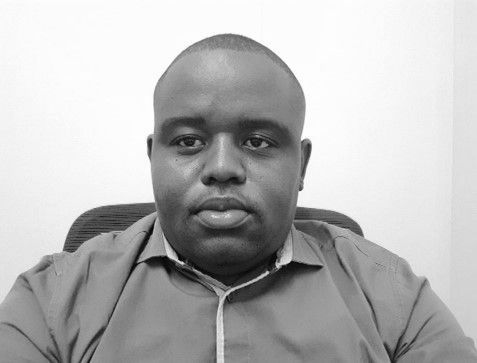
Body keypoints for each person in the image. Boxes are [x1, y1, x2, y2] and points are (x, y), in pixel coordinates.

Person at [0, 34, 476, 363]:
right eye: (188, 141)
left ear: (302, 166)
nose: (222, 167)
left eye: (258, 141)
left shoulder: (393, 297)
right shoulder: (49, 301)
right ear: (153, 157)